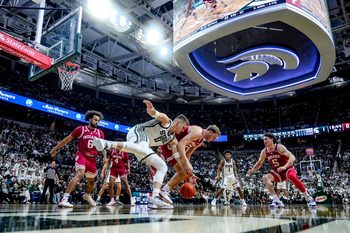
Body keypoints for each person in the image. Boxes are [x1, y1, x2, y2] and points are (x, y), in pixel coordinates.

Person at [93, 100, 191, 209]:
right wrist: (151, 110)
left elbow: (177, 156)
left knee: (163, 166)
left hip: (143, 144)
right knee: (143, 147)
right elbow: (156, 114)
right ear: (177, 123)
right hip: (138, 131)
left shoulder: (172, 140)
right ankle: (107, 143)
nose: (183, 131)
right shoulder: (166, 121)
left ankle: (155, 197)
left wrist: (186, 171)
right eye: (183, 128)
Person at [50, 110, 105, 208]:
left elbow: (103, 146)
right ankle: (65, 199)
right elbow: (67, 139)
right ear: (89, 119)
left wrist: (105, 157)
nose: (97, 122)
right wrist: (55, 148)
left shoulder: (100, 133)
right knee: (80, 174)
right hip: (82, 155)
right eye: (95, 120)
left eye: (98, 120)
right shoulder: (81, 129)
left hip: (92, 159)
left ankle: (87, 195)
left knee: (92, 182)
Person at [247, 132, 316, 208]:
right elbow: (259, 163)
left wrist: (285, 166)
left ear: (272, 139)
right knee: (265, 178)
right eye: (263, 140)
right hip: (278, 172)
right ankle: (276, 200)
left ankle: (308, 197)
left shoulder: (279, 147)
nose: (264, 141)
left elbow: (292, 157)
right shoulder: (264, 152)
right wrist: (253, 169)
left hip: (287, 168)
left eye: (266, 139)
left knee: (291, 176)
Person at [159, 124, 221, 203]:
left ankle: (163, 193)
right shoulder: (198, 132)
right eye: (214, 137)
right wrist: (187, 165)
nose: (213, 140)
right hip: (170, 144)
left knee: (186, 173)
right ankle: (164, 191)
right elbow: (181, 144)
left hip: (176, 148)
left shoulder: (201, 141)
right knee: (184, 172)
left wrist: (189, 172)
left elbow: (188, 154)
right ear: (210, 132)